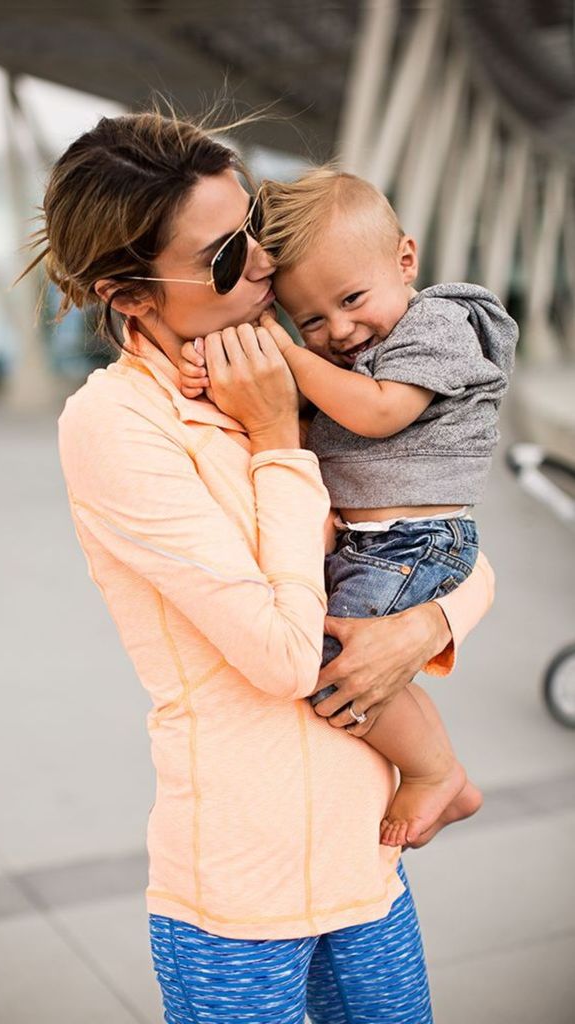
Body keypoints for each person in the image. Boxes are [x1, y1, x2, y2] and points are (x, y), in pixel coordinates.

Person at [20, 111, 495, 1024]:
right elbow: (282, 658)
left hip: (367, 860)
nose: (266, 266)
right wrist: (277, 438)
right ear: (130, 295)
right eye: (225, 257)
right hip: (241, 896)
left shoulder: (306, 361)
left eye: (255, 231)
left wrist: (425, 626)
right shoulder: (121, 425)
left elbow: (450, 542)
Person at [179, 167, 516, 850]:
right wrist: (220, 372)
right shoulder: (355, 351)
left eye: (352, 299)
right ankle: (437, 771)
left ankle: (434, 772)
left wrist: (289, 354)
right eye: (309, 320)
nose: (339, 329)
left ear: (405, 260)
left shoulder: (437, 324)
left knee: (329, 662)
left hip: (418, 539)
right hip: (383, 542)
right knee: (345, 660)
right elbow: (304, 413)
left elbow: (378, 413)